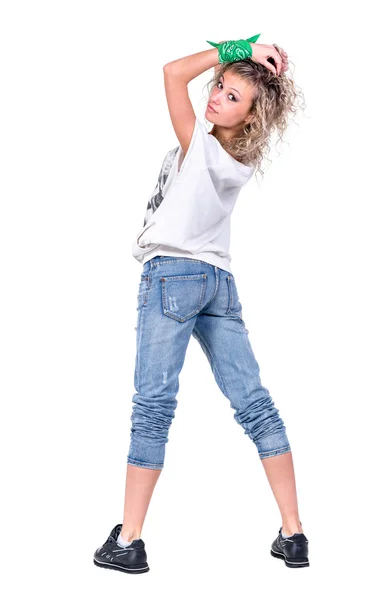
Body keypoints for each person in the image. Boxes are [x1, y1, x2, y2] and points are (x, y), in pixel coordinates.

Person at [93, 36, 309, 573]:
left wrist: (239, 45)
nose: (215, 97)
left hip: (172, 275)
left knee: (153, 407)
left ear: (251, 116)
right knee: (255, 404)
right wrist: (247, 69)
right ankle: (294, 533)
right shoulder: (237, 161)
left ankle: (130, 538)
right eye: (219, 87)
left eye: (233, 97)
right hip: (218, 281)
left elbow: (170, 72)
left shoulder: (201, 148)